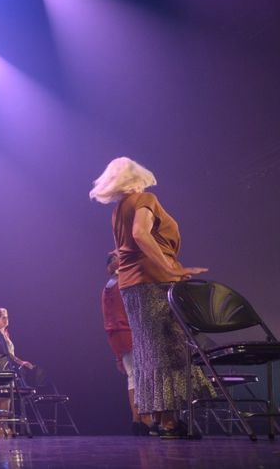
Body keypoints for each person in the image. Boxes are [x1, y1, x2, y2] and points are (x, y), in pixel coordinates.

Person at [90, 156, 211, 438]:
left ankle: (158, 418)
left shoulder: (119, 208)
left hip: (133, 285)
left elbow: (125, 248)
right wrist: (170, 266)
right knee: (165, 348)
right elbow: (141, 235)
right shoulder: (145, 199)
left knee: (148, 350)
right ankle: (168, 421)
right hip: (152, 281)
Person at [102, 251, 153, 435]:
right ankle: (145, 418)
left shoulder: (111, 284)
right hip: (127, 331)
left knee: (134, 375)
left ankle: (138, 419)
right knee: (139, 375)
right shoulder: (119, 283)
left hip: (120, 333)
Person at [0, 307, 35, 437]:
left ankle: (4, 425)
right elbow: (5, 354)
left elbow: (11, 354)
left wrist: (22, 362)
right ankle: (0, 426)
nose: (6, 319)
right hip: (0, 367)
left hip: (8, 367)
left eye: (7, 317)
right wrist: (20, 362)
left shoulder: (6, 334)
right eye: (3, 317)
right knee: (2, 396)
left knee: (7, 397)